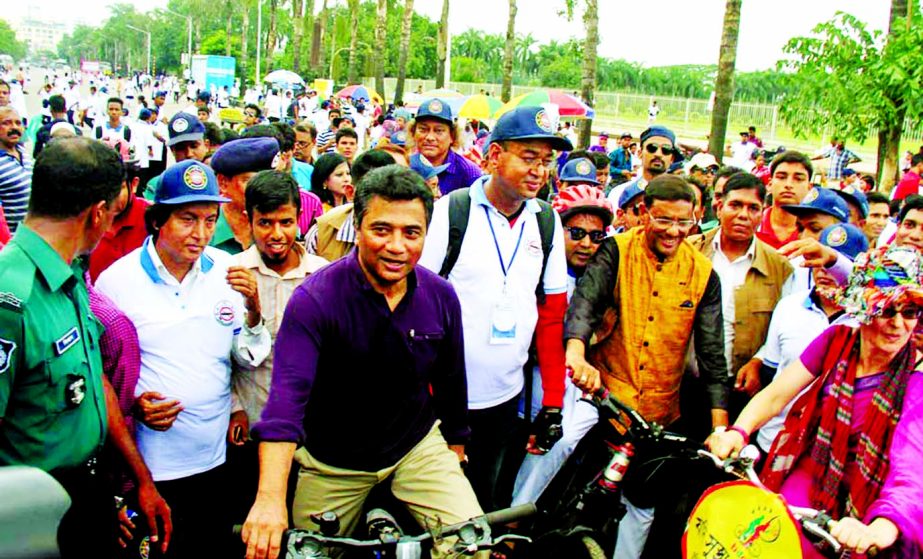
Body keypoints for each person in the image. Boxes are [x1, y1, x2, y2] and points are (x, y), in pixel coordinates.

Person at [242, 166, 483, 559]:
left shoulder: (440, 296)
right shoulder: (314, 301)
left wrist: (455, 446)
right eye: (381, 230)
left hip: (416, 447)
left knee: (472, 546)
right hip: (332, 462)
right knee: (308, 554)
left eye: (412, 233)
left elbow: (452, 377)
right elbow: (285, 405)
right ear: (358, 225)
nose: (397, 246)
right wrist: (269, 499)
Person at [0, 137, 172, 557]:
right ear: (97, 213)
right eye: (114, 215)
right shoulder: (12, 300)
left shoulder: (70, 272)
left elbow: (93, 382)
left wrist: (140, 478)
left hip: (83, 494)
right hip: (27, 510)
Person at [95, 159, 271, 557]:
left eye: (210, 220)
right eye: (188, 219)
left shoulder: (228, 273)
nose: (201, 233)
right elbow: (104, 376)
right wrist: (135, 406)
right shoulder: (117, 282)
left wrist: (254, 311)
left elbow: (248, 357)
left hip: (214, 459)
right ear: (159, 220)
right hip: (152, 466)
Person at [709, 244, 923, 558]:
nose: (898, 324)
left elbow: (912, 470)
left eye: (910, 313)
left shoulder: (916, 381)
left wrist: (882, 526)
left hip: (869, 512)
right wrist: (737, 432)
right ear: (863, 311)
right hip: (812, 476)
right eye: (887, 310)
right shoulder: (837, 341)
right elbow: (776, 395)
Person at [564, 174, 729, 559]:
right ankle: (513, 527)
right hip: (603, 396)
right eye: (663, 220)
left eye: (682, 222)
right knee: (563, 446)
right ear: (642, 214)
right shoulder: (616, 251)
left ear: (695, 218)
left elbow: (711, 355)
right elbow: (585, 307)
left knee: (643, 502)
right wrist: (575, 354)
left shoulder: (704, 275)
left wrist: (721, 428)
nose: (673, 231)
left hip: (658, 413)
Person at [418, 106, 572, 512]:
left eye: (546, 160)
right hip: (440, 403)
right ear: (493, 156)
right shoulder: (451, 213)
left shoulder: (546, 221)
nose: (539, 170)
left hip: (505, 401)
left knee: (485, 504)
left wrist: (552, 403)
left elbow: (552, 316)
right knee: (433, 511)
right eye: (528, 157)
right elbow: (416, 308)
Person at [226, 170, 328, 529]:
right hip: (251, 423)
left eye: (285, 222)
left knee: (305, 525)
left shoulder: (322, 276)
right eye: (265, 223)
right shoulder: (232, 274)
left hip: (310, 430)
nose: (276, 234)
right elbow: (220, 356)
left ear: (299, 217)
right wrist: (234, 409)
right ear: (248, 220)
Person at [511, 184, 614, 506]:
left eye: (596, 236)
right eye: (577, 233)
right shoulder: (532, 268)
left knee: (568, 434)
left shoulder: (604, 277)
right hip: (530, 375)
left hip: (574, 378)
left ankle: (517, 514)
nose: (586, 244)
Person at [687, 172, 794, 424]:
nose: (743, 215)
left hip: (740, 390)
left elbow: (784, 326)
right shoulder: (689, 251)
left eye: (753, 208)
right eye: (735, 205)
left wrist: (758, 360)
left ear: (762, 212)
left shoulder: (780, 267)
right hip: (684, 383)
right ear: (719, 206)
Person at [754, 223, 868, 456]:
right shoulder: (788, 307)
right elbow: (771, 376)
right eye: (817, 260)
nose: (824, 270)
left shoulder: (867, 322)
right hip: (773, 440)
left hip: (827, 452)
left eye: (831, 263)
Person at [306, 149, 395, 261]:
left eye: (388, 194)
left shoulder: (411, 236)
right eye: (370, 194)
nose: (379, 202)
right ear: (350, 192)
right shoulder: (321, 233)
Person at [209, 137, 282, 255]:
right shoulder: (205, 234)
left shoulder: (283, 231)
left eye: (271, 182)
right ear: (223, 183)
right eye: (251, 181)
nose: (265, 190)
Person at [409, 98, 483, 195]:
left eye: (438, 131)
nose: (430, 137)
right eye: (423, 129)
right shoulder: (404, 167)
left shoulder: (469, 173)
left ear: (452, 136)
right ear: (413, 133)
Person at [606, 125, 677, 212]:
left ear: (672, 158)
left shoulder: (679, 198)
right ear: (640, 153)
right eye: (652, 148)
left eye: (666, 149)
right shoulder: (619, 193)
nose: (658, 154)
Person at [142, 112, 208, 201]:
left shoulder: (218, 182)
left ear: (206, 145)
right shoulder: (159, 184)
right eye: (181, 148)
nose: (189, 153)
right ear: (172, 150)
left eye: (194, 146)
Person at [756, 151, 813, 249]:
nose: (789, 184)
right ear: (769, 184)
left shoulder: (815, 235)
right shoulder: (752, 225)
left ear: (809, 188)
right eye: (782, 177)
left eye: (798, 179)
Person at [0, 106, 31, 232]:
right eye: (6, 123)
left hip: (30, 237)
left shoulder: (23, 153)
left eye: (18, 123)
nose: (14, 128)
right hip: (10, 243)